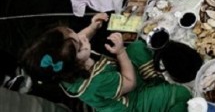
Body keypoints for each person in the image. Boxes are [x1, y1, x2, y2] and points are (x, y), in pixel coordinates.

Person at [21, 13, 192, 111]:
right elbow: (130, 83)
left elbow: (80, 37)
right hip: (130, 101)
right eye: (80, 46)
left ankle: (153, 83)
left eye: (74, 33)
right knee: (181, 95)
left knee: (138, 47)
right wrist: (120, 52)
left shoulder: (68, 59)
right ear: (75, 65)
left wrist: (92, 27)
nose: (83, 39)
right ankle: (158, 96)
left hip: (118, 77)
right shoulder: (95, 83)